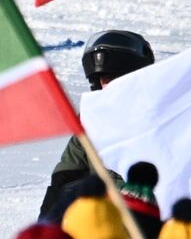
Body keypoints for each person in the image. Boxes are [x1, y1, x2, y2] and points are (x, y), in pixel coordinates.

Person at [38, 31, 155, 219]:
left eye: (112, 78)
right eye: (101, 79)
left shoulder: (155, 117)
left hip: (144, 219)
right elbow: (69, 169)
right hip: (99, 219)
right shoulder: (91, 117)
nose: (104, 85)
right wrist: (48, 220)